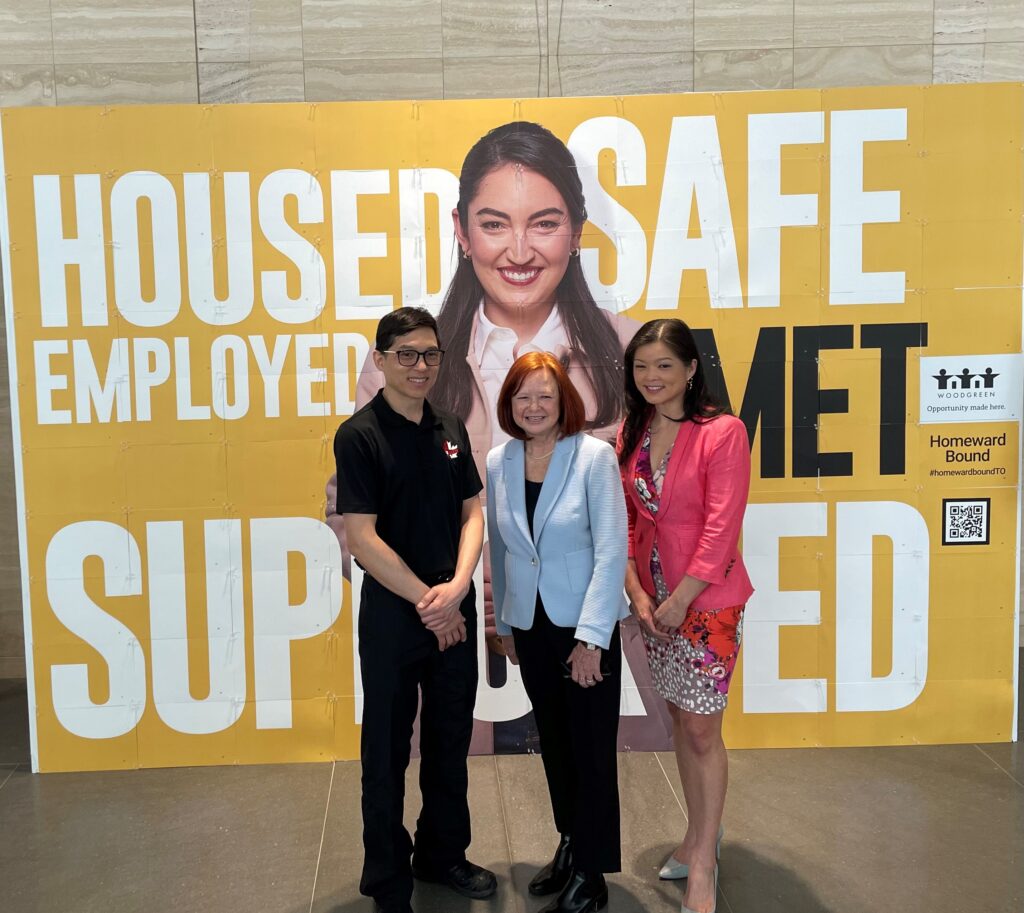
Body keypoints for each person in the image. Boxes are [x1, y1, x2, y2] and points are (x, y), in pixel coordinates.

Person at [334, 306, 495, 913]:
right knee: (386, 749)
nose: (420, 366)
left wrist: (456, 587)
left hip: (450, 604)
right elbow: (363, 537)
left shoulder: (450, 427)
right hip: (397, 618)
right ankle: (387, 879)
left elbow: (473, 512)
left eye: (430, 354)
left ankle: (442, 854)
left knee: (452, 740)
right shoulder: (359, 435)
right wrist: (432, 603)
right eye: (407, 354)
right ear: (381, 360)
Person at [617, 319, 754, 913]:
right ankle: (700, 833)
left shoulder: (722, 433)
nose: (651, 377)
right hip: (651, 603)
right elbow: (624, 518)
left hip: (705, 605)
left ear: (692, 369)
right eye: (642, 366)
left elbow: (722, 527)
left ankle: (704, 862)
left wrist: (678, 601)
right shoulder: (634, 428)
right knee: (679, 719)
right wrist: (638, 593)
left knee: (702, 729)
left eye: (664, 365)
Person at [487, 351, 628, 913]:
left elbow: (612, 547)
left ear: (563, 399)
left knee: (592, 748)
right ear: (510, 404)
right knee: (555, 742)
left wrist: (592, 637)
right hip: (531, 624)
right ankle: (570, 843)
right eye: (523, 396)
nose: (535, 406)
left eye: (545, 395)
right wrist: (505, 626)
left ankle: (592, 875)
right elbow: (499, 548)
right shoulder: (499, 460)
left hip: (581, 626)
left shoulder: (592, 456)